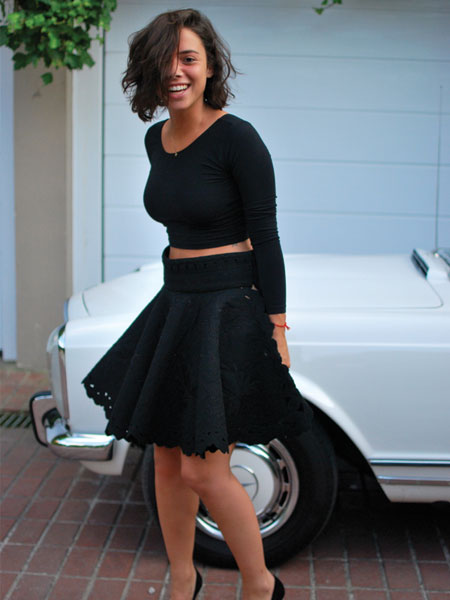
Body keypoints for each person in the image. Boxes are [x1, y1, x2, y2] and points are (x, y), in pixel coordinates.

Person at [82, 8, 313, 600]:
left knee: (203, 468)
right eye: (165, 61)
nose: (176, 71)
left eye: (189, 58)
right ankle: (183, 580)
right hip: (178, 301)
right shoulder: (155, 140)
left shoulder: (238, 138)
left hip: (228, 306)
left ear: (210, 67)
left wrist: (277, 325)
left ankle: (260, 585)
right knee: (165, 460)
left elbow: (267, 235)